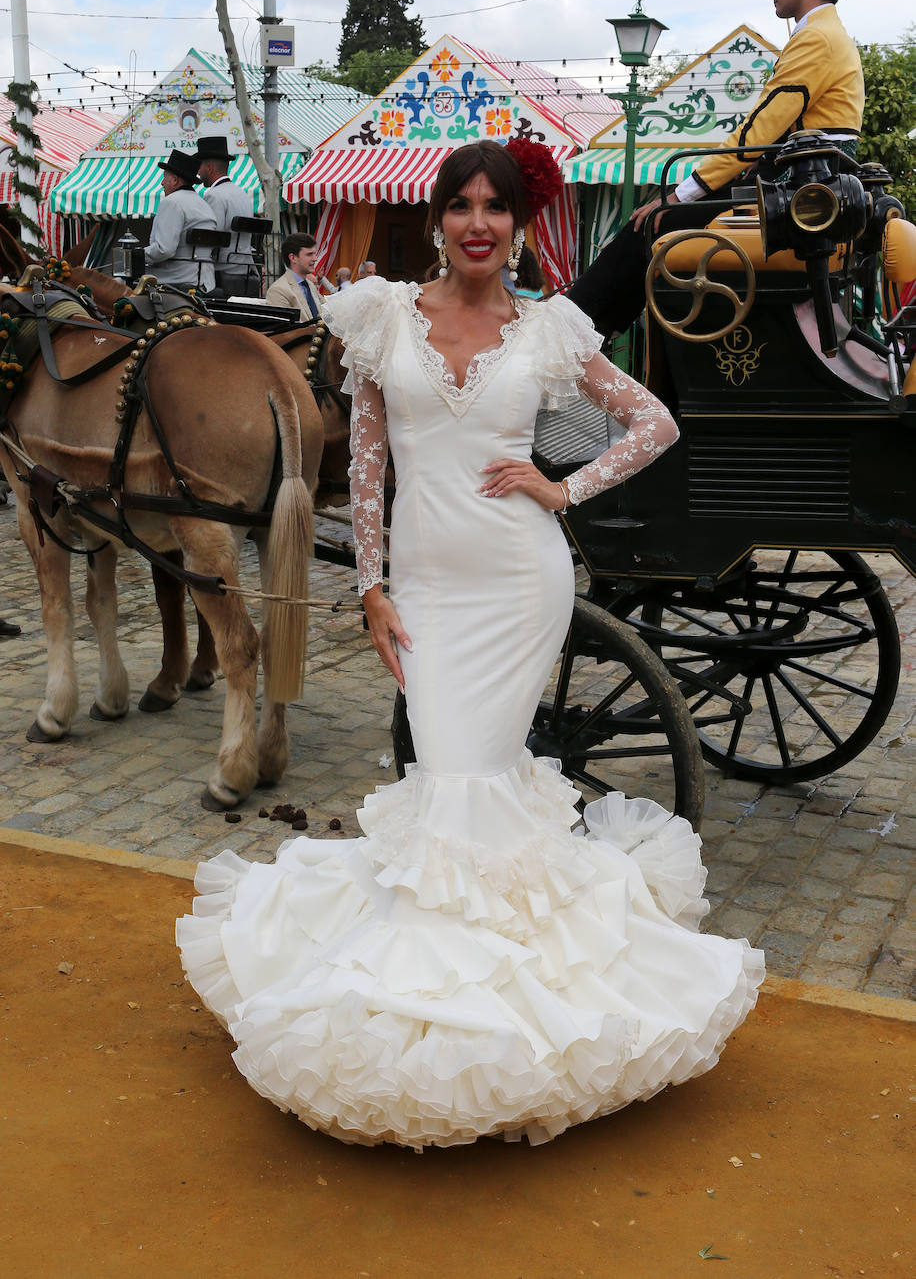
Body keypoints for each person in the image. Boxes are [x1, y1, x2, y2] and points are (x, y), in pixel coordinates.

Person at [176, 140, 763, 1150]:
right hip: (427, 589)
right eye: (461, 205)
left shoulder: (548, 331)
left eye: (495, 205)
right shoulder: (378, 316)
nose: (477, 222)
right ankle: (438, 992)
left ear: (519, 222)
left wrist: (561, 486)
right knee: (447, 778)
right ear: (437, 218)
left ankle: (477, 1012)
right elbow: (363, 458)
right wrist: (369, 584)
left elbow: (650, 420)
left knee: (464, 776)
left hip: (517, 581)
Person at [568, 0, 871, 337]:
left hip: (801, 188)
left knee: (651, 221)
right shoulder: (830, 35)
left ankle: (573, 327)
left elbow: (758, 132)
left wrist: (680, 193)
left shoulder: (815, 38)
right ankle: (589, 326)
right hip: (806, 181)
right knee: (657, 221)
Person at [144, 150, 219, 293]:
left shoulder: (171, 202)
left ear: (174, 180)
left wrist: (137, 255)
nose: (161, 183)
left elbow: (163, 249)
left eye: (164, 178)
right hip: (206, 282)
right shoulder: (204, 205)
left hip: (175, 280)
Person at [196, 135, 257, 296]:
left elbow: (213, 237)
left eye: (200, 166)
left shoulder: (214, 195)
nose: (198, 171)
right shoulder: (241, 193)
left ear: (209, 167)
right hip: (246, 268)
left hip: (224, 271)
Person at [265, 233, 323, 321]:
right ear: (293, 258)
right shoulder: (278, 291)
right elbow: (284, 331)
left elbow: (327, 313)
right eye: (309, 254)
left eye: (314, 254)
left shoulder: (310, 285)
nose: (315, 258)